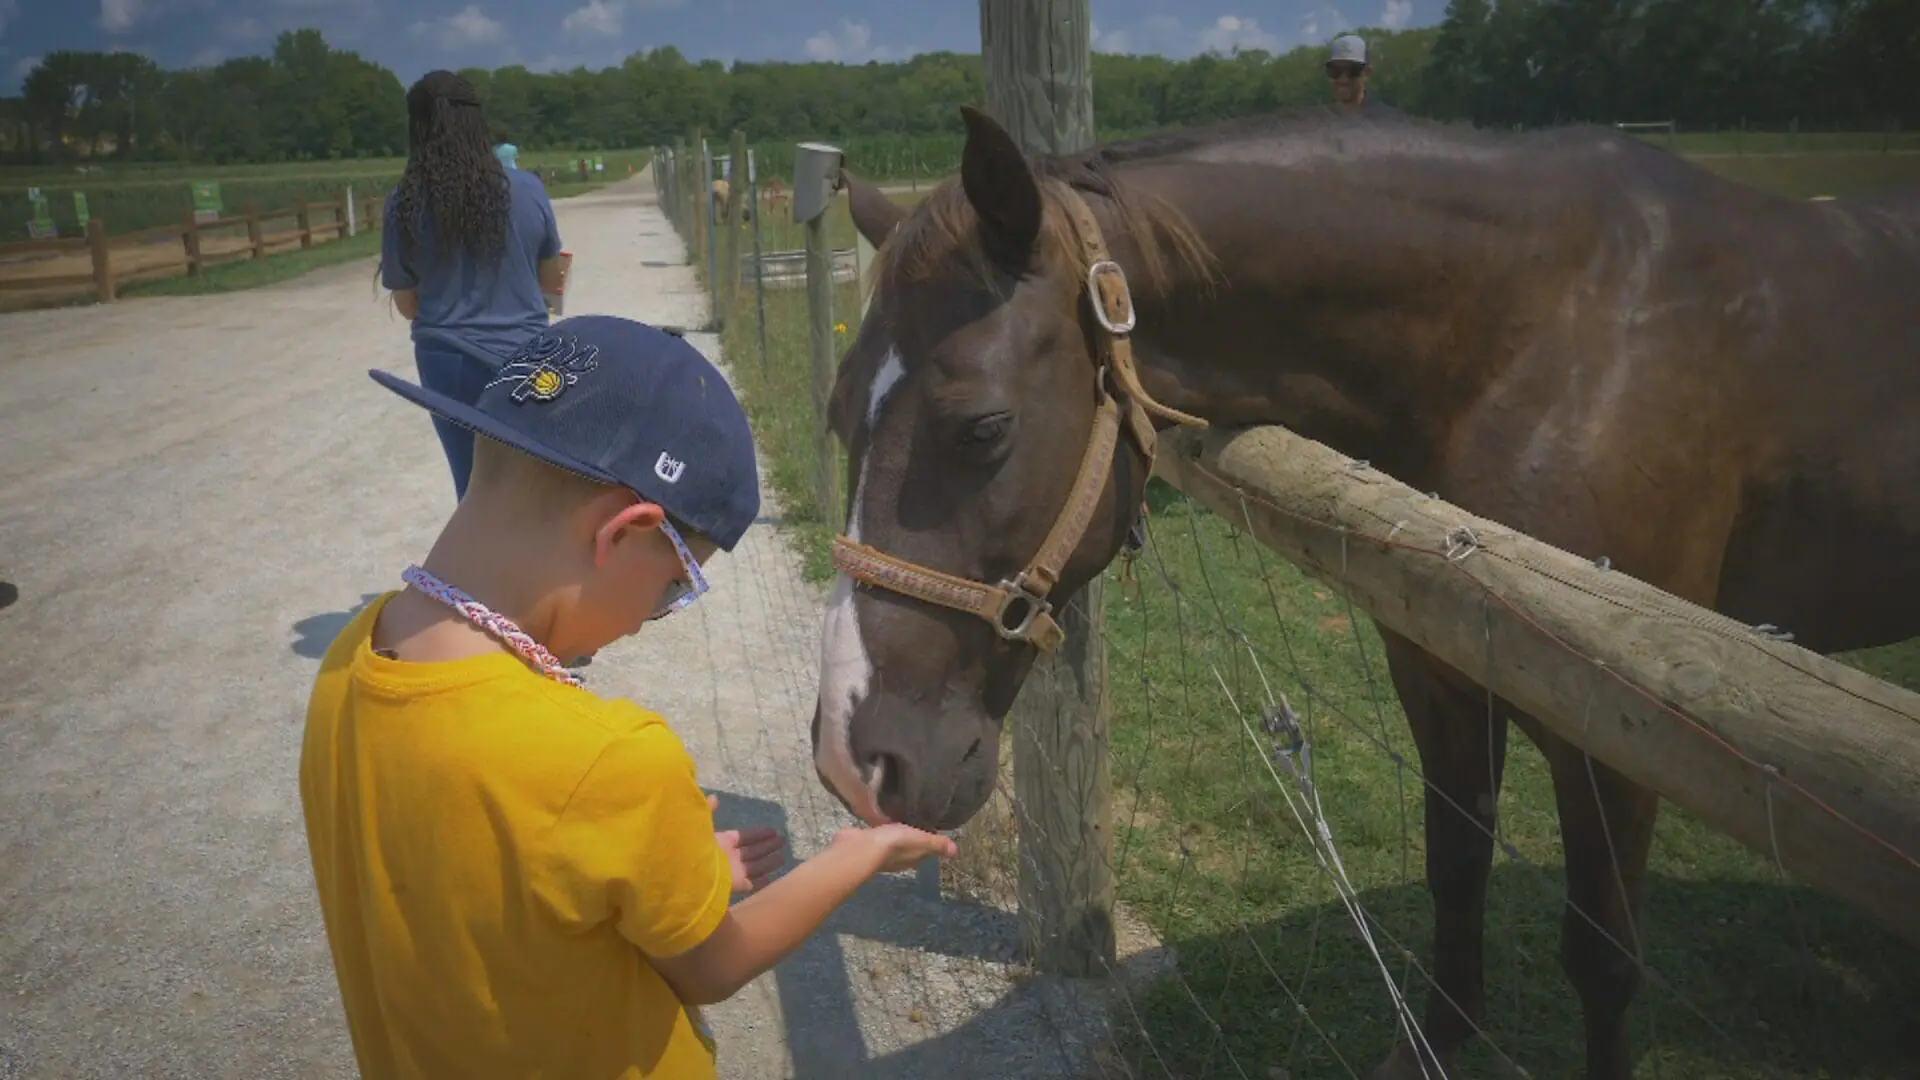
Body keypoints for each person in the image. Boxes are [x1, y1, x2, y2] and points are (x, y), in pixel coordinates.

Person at [300, 313, 960, 1079]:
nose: (652, 622)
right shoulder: (608, 759)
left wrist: (652, 869)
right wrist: (856, 856)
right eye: (674, 586)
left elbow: (474, 875)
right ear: (623, 533)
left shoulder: (354, 656)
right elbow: (711, 967)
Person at [382, 70, 567, 501]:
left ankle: (481, 565)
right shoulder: (528, 189)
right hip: (526, 351)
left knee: (472, 486)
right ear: (476, 121)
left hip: (447, 360)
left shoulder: (403, 202)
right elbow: (550, 280)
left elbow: (408, 303)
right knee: (536, 481)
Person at [1325, 34, 1398, 115]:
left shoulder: (1391, 121)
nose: (1343, 79)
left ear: (1367, 73)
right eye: (1336, 70)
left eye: (1353, 70)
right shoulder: (1315, 121)